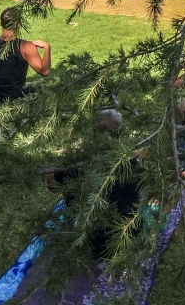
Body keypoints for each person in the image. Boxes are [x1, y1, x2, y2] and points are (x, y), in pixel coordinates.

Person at [46, 109, 143, 259]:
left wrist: (64, 162)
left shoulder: (75, 165)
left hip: (89, 242)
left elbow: (52, 186)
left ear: (91, 134)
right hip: (129, 238)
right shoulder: (135, 164)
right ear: (122, 135)